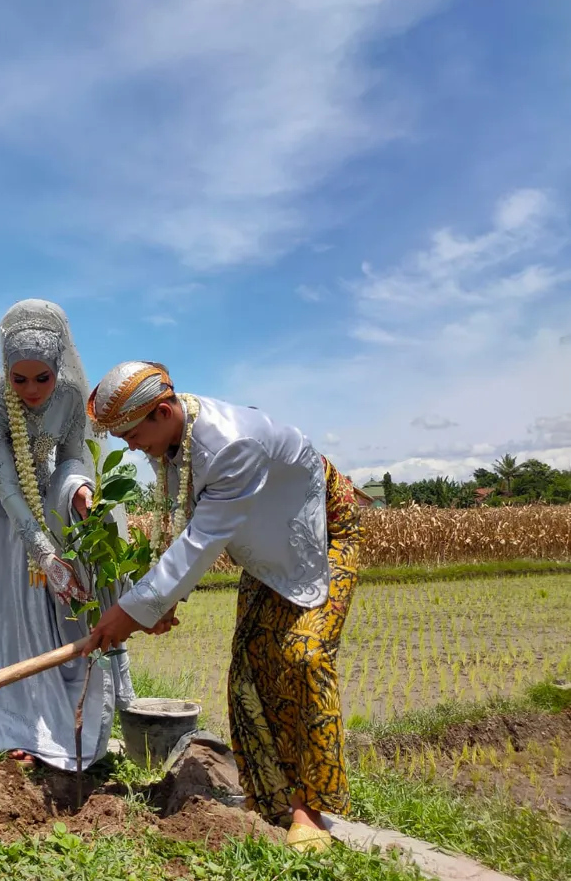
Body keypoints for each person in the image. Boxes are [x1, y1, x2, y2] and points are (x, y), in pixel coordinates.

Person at [82, 362, 362, 853]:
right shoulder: (173, 440)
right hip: (265, 551)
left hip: (319, 535)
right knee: (251, 668)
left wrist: (134, 611)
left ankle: (309, 808)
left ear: (162, 411)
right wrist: (162, 602)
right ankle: (268, 800)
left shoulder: (231, 443)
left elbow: (202, 540)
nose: (128, 445)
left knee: (304, 657)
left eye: (130, 433)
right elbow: (187, 524)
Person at [0, 299, 134, 771]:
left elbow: (73, 458)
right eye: (19, 378)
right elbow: (6, 484)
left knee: (52, 607)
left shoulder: (70, 398)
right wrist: (45, 554)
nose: (31, 390)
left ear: (57, 368)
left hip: (44, 493)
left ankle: (61, 714)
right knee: (7, 610)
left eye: (41, 378)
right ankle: (14, 727)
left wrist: (81, 492)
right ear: (6, 371)